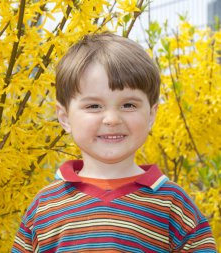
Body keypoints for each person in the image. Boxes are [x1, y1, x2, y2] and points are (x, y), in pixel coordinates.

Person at [11, 33, 217, 252]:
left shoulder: (174, 205)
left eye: (128, 105)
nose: (112, 119)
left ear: (151, 115)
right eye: (93, 106)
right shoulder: (45, 205)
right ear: (64, 118)